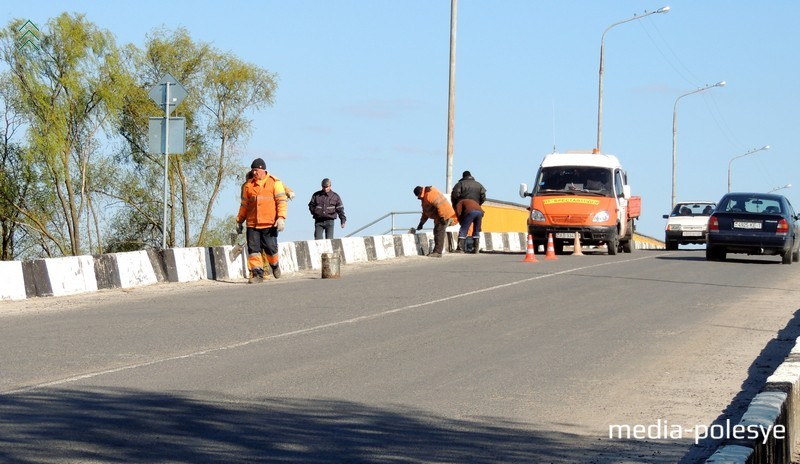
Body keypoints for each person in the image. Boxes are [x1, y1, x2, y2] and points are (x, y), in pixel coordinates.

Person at [236, 157, 288, 283]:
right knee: (253, 250)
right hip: (252, 224)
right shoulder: (248, 186)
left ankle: (275, 265)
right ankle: (257, 274)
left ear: (263, 170)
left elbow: (281, 201)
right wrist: (239, 220)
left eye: (256, 170)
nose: (254, 173)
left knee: (271, 249)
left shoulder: (275, 182)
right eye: (252, 170)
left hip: (269, 223)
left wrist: (281, 218)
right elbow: (244, 205)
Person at [409, 185, 458, 258]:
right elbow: (425, 212)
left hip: (444, 215)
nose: (418, 198)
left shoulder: (429, 194)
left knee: (439, 232)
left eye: (418, 196)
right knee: (436, 231)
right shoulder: (425, 196)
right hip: (439, 216)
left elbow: (440, 204)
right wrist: (421, 223)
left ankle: (438, 252)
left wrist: (442, 217)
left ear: (419, 192)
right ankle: (436, 251)